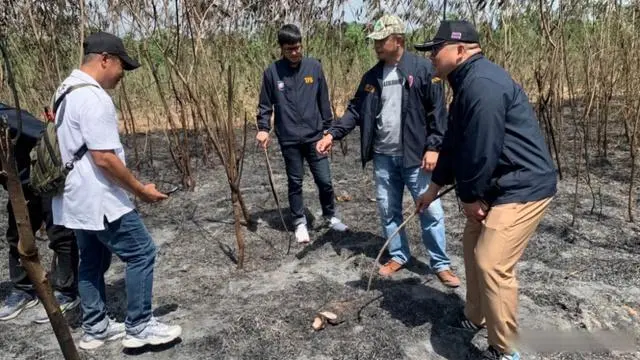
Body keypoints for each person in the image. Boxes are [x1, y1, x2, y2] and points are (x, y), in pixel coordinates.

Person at [414, 20, 558, 360]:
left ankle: (505, 348)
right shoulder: (465, 85)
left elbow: (481, 149)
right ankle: (474, 315)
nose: (431, 56)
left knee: (491, 261)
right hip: (496, 185)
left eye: (437, 49)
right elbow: (452, 144)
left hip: (523, 184)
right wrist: (433, 189)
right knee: (471, 246)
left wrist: (469, 198)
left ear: (461, 50)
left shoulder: (483, 85)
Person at [52, 31, 181, 350]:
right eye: (122, 65)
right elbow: (104, 158)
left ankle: (95, 328)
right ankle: (139, 326)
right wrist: (140, 190)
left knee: (92, 260)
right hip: (100, 199)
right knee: (143, 252)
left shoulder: (65, 89)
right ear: (105, 60)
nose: (123, 74)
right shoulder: (94, 98)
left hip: (75, 200)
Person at [316, 14, 460, 287]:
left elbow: (438, 112)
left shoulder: (422, 70)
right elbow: (356, 110)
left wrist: (434, 147)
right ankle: (398, 255)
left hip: (416, 156)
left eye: (382, 41)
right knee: (387, 208)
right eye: (376, 41)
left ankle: (440, 264)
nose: (377, 46)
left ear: (398, 40)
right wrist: (332, 134)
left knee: (430, 210)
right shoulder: (372, 76)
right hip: (383, 156)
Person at [256, 24, 348, 243]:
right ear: (281, 49)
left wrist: (329, 130)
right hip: (289, 138)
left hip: (315, 136)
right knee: (295, 181)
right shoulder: (272, 73)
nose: (295, 53)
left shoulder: (314, 67)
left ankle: (330, 215)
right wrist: (263, 128)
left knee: (325, 180)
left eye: (297, 47)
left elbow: (323, 101)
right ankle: (299, 222)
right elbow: (265, 104)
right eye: (289, 49)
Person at [0, 104, 79, 324]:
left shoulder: (7, 117)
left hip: (44, 182)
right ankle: (24, 289)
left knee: (60, 235)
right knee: (16, 237)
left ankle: (67, 291)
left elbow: (47, 135)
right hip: (18, 188)